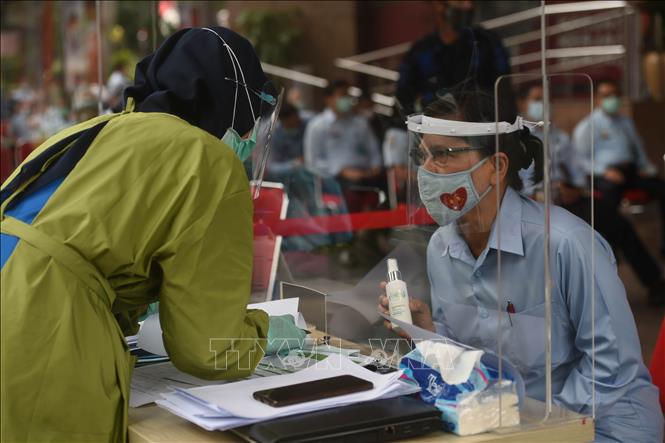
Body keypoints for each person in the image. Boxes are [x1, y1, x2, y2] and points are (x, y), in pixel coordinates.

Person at [1, 27, 305, 442]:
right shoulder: (208, 158)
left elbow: (91, 244)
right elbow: (209, 349)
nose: (249, 139)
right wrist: (266, 333)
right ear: (234, 102)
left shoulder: (98, 131)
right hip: (43, 328)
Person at [379, 91, 663, 442]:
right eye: (422, 156)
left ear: (497, 166)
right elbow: (471, 359)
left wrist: (533, 424)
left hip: (601, 424)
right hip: (508, 422)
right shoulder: (442, 247)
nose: (426, 170)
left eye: (443, 154)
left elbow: (612, 366)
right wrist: (430, 331)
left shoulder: (565, 243)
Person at [519, 84, 664, 305]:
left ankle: (653, 282)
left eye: (546, 99)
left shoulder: (559, 137)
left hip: (567, 199)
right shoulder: (517, 139)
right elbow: (516, 181)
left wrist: (574, 188)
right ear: (523, 104)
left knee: (617, 223)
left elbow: (578, 172)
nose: (543, 104)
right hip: (534, 203)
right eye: (537, 99)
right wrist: (538, 193)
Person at [573, 79, 665, 257]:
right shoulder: (588, 126)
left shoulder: (626, 122)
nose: (612, 99)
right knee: (607, 201)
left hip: (630, 171)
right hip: (604, 175)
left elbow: (638, 148)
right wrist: (605, 171)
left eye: (615, 95)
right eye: (607, 95)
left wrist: (645, 166)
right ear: (597, 98)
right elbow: (580, 160)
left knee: (661, 188)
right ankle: (609, 249)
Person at [395, 0, 511, 115]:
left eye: (472, 1)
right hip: (435, 123)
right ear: (439, 5)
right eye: (460, 1)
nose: (468, 6)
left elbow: (504, 92)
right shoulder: (420, 52)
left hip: (483, 122)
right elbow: (403, 99)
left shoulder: (488, 42)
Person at [304, 79, 383, 212]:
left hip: (365, 175)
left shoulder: (360, 123)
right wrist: (340, 170)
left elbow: (374, 151)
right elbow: (312, 162)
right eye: (342, 95)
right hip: (334, 179)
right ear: (328, 99)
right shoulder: (317, 126)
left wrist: (374, 167)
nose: (346, 99)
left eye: (347, 95)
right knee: (349, 196)